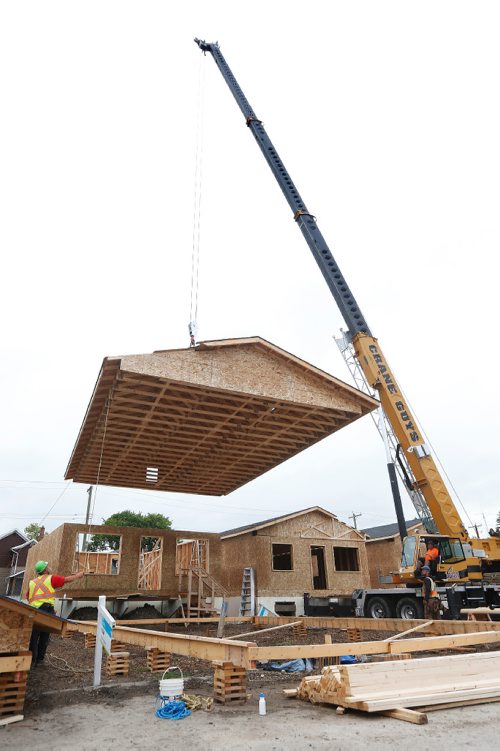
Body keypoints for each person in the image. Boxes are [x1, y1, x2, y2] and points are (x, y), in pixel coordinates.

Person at [27, 560, 86, 665]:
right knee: (45, 634)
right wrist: (78, 575)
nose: (49, 567)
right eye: (47, 566)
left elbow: (28, 596)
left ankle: (31, 661)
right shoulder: (51, 578)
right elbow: (66, 580)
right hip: (46, 609)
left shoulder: (32, 582)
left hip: (33, 610)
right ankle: (40, 660)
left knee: (34, 635)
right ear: (45, 570)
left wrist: (38, 604)